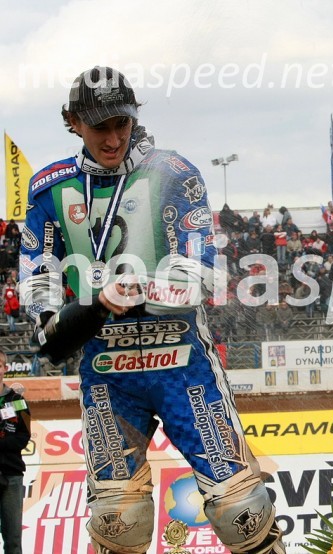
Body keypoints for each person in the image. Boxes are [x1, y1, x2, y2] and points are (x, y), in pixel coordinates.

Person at [19, 66, 285, 554]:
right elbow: (41, 304)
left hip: (181, 364)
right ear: (73, 121)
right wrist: (88, 308)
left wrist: (136, 291)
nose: (114, 137)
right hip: (107, 373)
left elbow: (203, 276)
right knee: (118, 520)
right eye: (100, 126)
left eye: (122, 123)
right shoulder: (48, 191)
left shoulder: (173, 173)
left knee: (242, 512)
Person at [0, 351, 30, 554]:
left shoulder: (17, 400)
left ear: (5, 368)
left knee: (13, 540)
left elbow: (24, 436)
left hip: (11, 474)